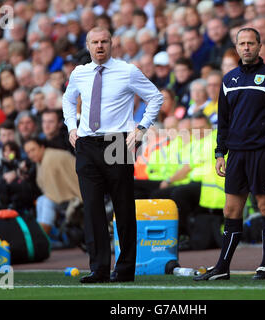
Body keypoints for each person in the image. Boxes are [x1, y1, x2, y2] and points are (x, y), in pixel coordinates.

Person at [62, 27, 162, 283]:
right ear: (87, 45)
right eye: (94, 42)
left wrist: (141, 128)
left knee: (123, 208)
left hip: (117, 143)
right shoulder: (80, 73)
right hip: (86, 144)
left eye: (104, 41)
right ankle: (98, 269)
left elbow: (155, 97)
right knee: (92, 209)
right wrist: (71, 127)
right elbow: (68, 100)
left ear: (112, 44)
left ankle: (126, 268)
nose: (99, 46)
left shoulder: (127, 71)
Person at [194, 28, 265, 281]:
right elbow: (223, 122)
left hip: (264, 153)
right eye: (242, 43)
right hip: (236, 155)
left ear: (260, 47)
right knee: (231, 210)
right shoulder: (229, 79)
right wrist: (219, 153)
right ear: (236, 47)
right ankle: (222, 267)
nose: (246, 47)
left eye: (251, 43)